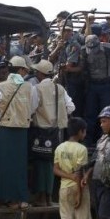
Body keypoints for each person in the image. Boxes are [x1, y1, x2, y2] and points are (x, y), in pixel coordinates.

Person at [0, 60, 38, 209]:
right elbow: (33, 106)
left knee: (3, 165)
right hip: (22, 130)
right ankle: (20, 198)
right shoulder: (30, 87)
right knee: (19, 165)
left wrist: (2, 111)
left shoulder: (0, 86)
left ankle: (4, 198)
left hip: (4, 129)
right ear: (21, 70)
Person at [30, 59, 75, 206]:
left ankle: (40, 197)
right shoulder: (60, 88)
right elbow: (71, 107)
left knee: (39, 163)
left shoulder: (37, 88)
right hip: (55, 132)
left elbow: (31, 108)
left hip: (39, 131)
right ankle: (48, 197)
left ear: (40, 73)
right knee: (50, 163)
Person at [53, 117, 93, 219]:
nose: (85, 134)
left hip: (64, 188)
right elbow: (80, 173)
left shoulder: (59, 147)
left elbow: (55, 169)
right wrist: (79, 194)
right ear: (80, 132)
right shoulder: (81, 149)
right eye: (84, 131)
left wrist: (67, 176)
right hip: (78, 187)